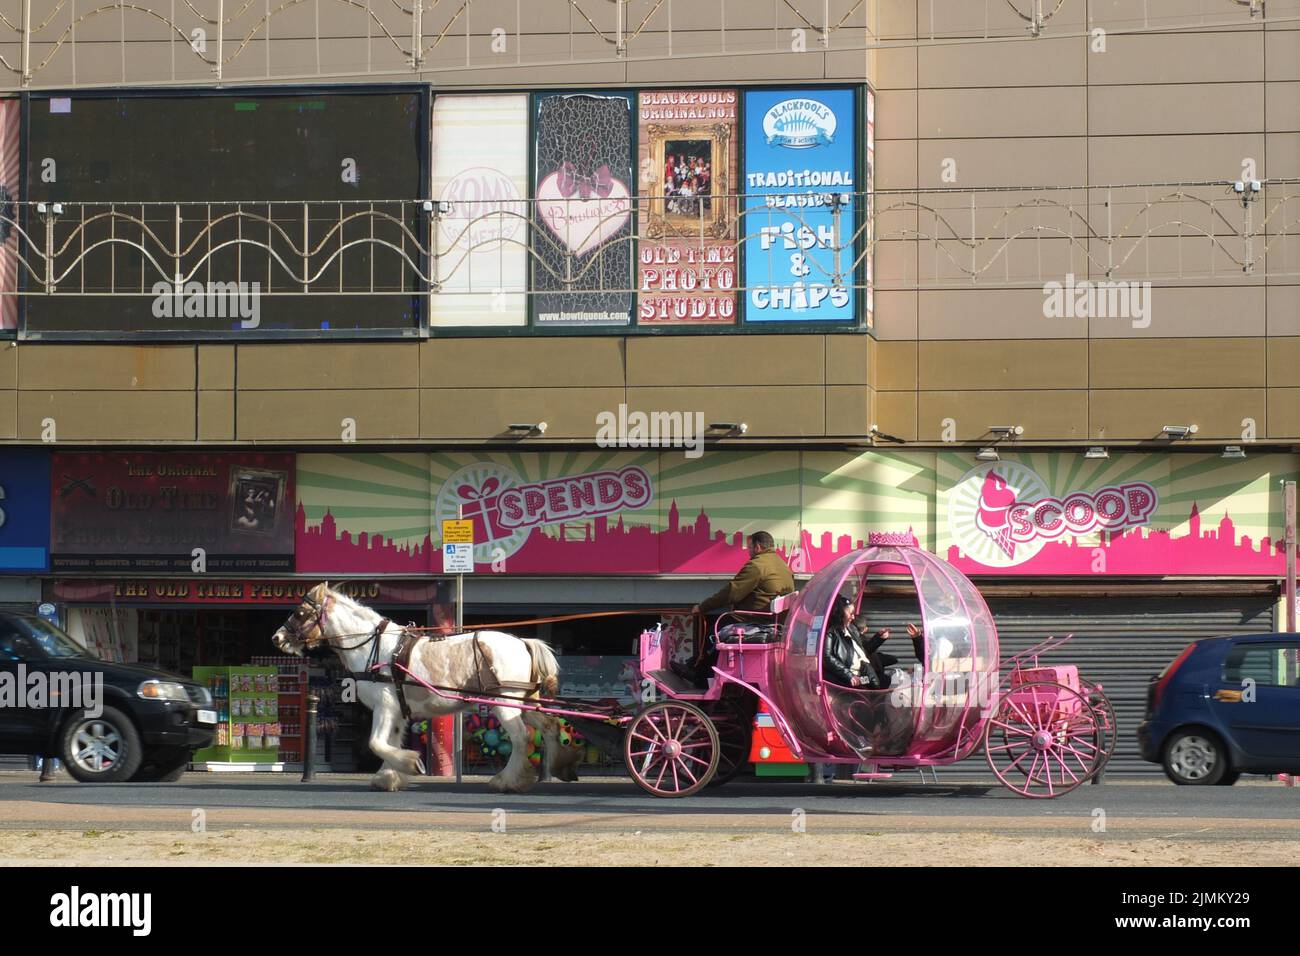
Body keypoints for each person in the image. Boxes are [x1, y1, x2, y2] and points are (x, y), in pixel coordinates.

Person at [671, 531, 795, 687]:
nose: (748, 552)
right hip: (774, 622)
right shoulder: (783, 566)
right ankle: (701, 668)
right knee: (722, 623)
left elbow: (732, 593)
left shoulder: (757, 565)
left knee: (714, 629)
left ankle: (699, 674)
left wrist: (702, 607)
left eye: (749, 547)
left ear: (757, 547)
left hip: (756, 620)